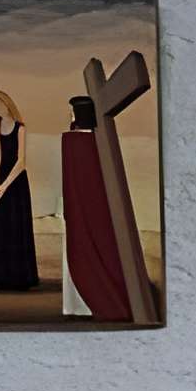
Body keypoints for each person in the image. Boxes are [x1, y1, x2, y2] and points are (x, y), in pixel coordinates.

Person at [58, 93, 132, 321]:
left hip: (80, 210)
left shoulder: (72, 140)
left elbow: (73, 178)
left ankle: (80, 306)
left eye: (72, 111)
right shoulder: (102, 139)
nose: (70, 115)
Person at [0, 91, 39, 292]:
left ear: (6, 103)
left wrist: (4, 187)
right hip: (1, 180)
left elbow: (21, 162)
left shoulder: (20, 128)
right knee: (1, 228)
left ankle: (21, 278)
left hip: (16, 183)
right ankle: (3, 277)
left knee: (17, 227)